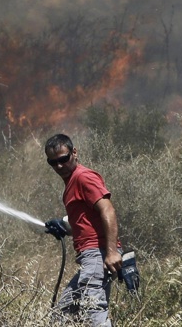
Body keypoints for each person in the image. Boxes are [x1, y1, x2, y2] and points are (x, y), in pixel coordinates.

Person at [45, 133, 123, 326]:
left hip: (96, 255)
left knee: (94, 310)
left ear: (74, 153)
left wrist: (112, 252)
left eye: (63, 159)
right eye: (53, 162)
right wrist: (64, 227)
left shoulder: (83, 177)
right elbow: (87, 222)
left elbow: (108, 210)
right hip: (91, 256)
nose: (59, 166)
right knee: (62, 315)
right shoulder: (72, 182)